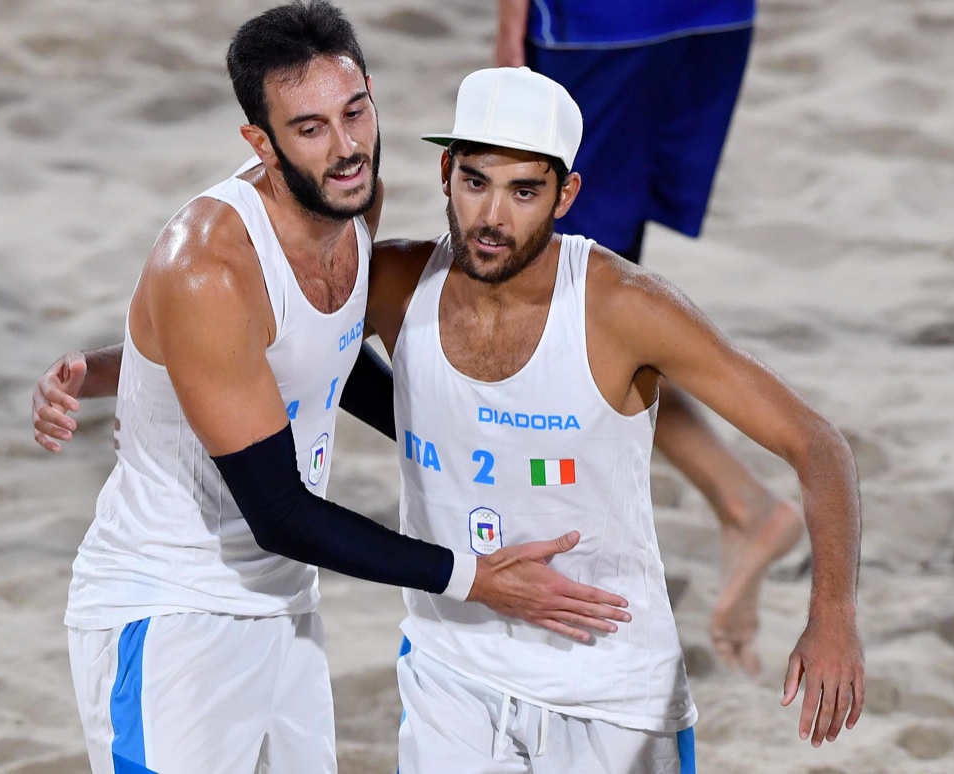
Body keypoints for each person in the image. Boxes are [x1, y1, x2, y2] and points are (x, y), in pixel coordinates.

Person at [32, 6, 629, 773]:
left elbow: (318, 356)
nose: (346, 147)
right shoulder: (209, 265)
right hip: (171, 608)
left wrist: (470, 437)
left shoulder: (353, 201)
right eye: (310, 128)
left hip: (286, 601)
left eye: (355, 112)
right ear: (261, 143)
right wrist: (475, 578)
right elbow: (281, 513)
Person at [359, 67, 863, 772]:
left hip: (612, 694)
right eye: (475, 182)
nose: (493, 217)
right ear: (446, 174)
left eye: (524, 191)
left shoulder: (625, 307)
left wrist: (832, 617)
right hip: (449, 676)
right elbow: (287, 336)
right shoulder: (393, 284)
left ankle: (743, 512)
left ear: (565, 195)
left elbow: (818, 445)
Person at [495, 0, 800, 674]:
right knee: (582, 294)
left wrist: (511, 19)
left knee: (556, 292)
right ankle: (740, 501)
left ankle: (741, 500)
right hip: (712, 20)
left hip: (604, 28)